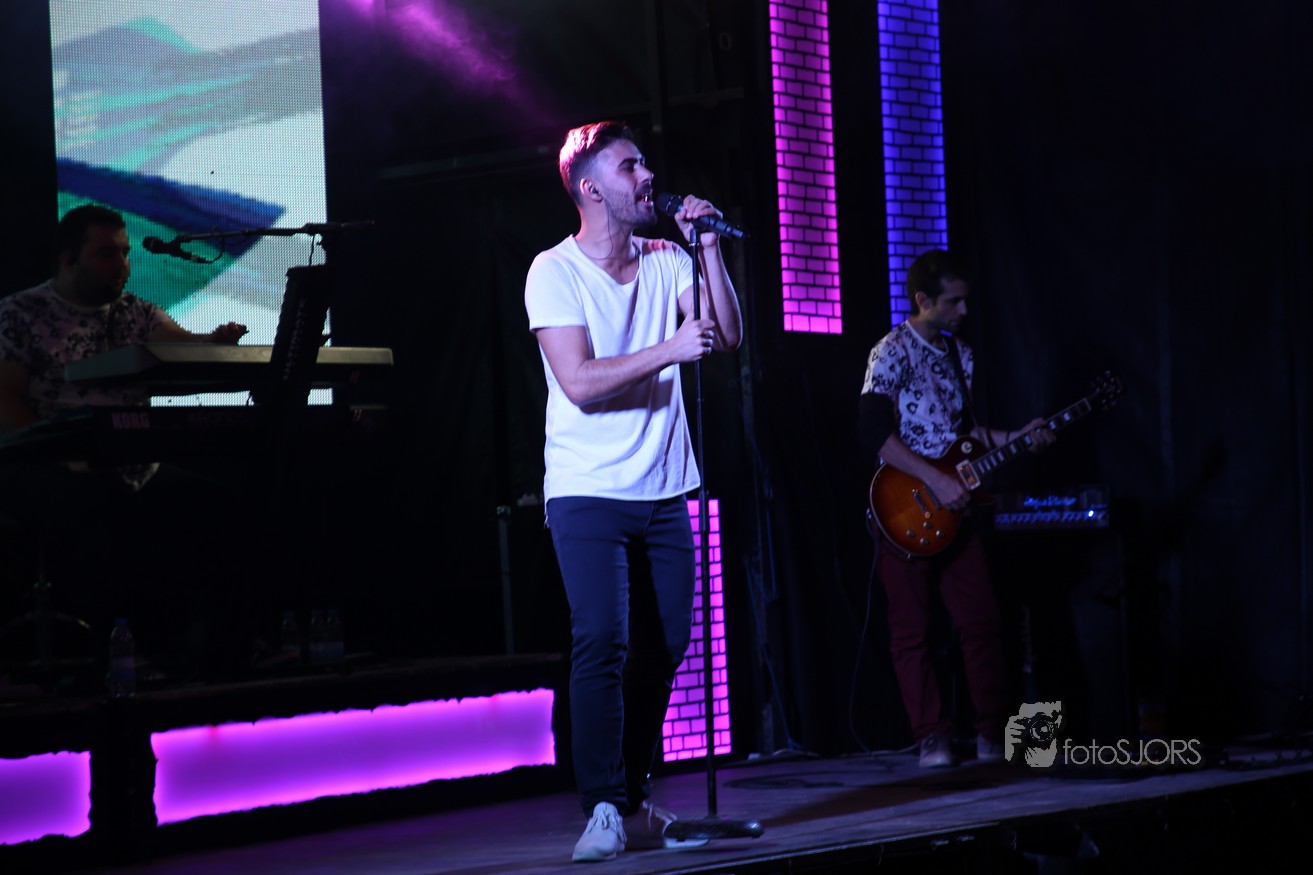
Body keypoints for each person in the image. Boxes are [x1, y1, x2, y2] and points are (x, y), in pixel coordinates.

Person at [524, 121, 742, 862]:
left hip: (663, 484)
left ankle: (633, 793)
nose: (647, 175)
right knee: (603, 639)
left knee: (669, 641)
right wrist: (670, 348)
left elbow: (727, 336)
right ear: (591, 189)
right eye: (629, 167)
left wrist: (706, 247)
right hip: (586, 489)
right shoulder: (553, 270)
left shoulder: (665, 257)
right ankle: (601, 805)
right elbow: (580, 383)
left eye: (645, 162)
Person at [0, 204, 248, 678]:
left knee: (218, 507)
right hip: (42, 463)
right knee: (104, 513)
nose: (122, 265)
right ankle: (115, 659)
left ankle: (223, 653)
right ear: (68, 260)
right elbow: (3, 400)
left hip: (131, 466)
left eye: (125, 253)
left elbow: (178, 345)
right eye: (106, 254)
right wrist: (60, 453)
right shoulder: (20, 313)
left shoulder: (135, 311)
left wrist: (213, 343)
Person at [858, 249, 1054, 768]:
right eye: (953, 302)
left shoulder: (959, 354)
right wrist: (935, 480)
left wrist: (1018, 436)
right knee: (912, 630)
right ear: (923, 300)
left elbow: (966, 435)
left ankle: (991, 734)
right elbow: (873, 431)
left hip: (958, 508)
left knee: (982, 622)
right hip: (904, 507)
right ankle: (932, 737)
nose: (964, 311)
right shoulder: (890, 351)